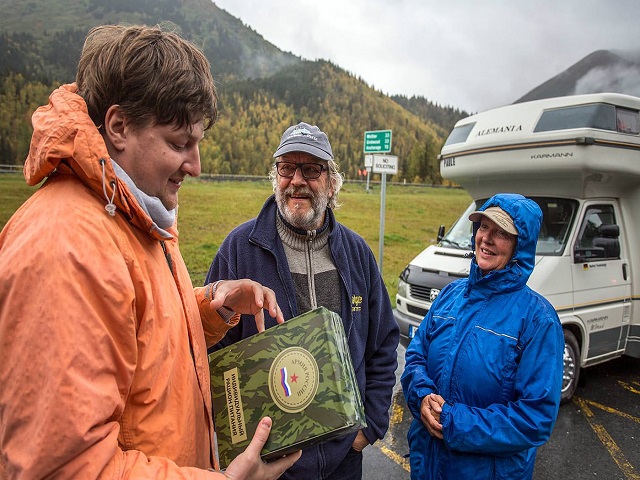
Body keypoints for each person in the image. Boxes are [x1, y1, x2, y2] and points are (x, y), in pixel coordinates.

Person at [0, 24, 301, 479]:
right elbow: (65, 467)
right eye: (180, 144)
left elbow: (136, 329)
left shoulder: (131, 213)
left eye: (198, 144)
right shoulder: (67, 249)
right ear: (119, 127)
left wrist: (213, 304)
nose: (196, 166)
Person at [205, 122, 400, 480]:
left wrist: (368, 427)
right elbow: (211, 352)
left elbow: (384, 345)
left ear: (330, 180)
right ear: (275, 175)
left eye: (311, 169)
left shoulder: (357, 254)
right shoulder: (239, 249)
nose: (297, 180)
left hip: (344, 461)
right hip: (270, 466)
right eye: (287, 168)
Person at [401, 193, 565, 480]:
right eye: (484, 227)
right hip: (426, 465)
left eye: (502, 232)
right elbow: (416, 356)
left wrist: (453, 422)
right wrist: (423, 396)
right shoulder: (451, 295)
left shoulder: (538, 320)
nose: (487, 238)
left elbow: (534, 419)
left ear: (520, 246)